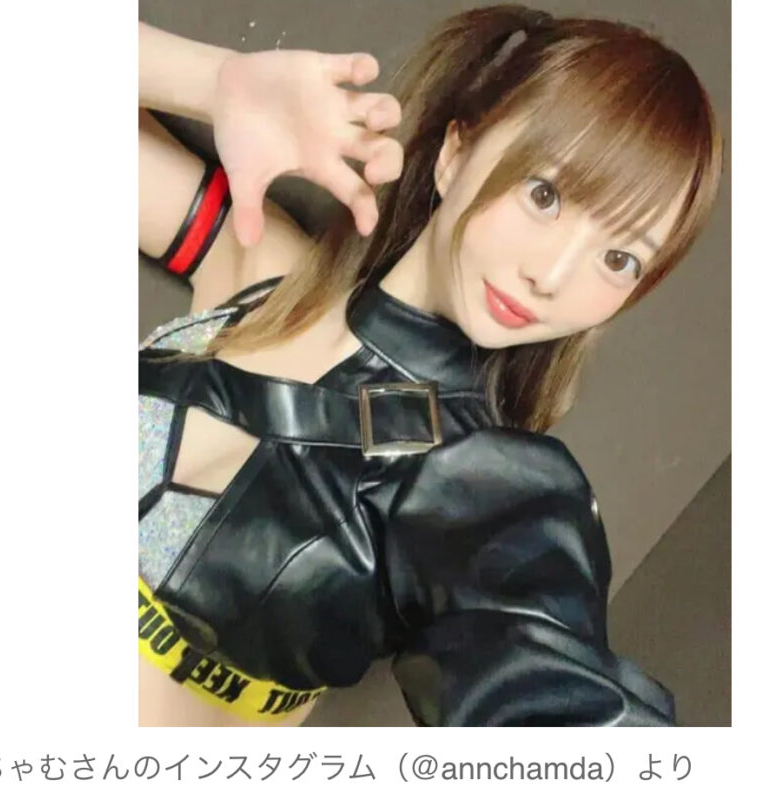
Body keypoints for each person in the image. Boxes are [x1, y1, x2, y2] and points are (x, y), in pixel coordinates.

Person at [137, 4, 722, 727]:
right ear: (454, 152)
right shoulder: (265, 273)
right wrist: (214, 81)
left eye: (620, 259)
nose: (551, 276)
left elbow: (552, 699)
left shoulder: (487, 487)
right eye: (545, 195)